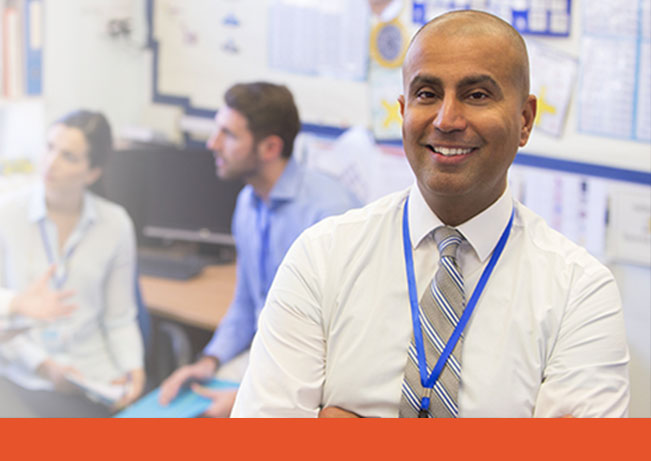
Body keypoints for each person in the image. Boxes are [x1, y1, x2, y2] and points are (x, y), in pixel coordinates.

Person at [231, 11, 630, 418]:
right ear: (403, 110)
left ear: (524, 120)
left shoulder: (580, 291)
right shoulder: (321, 257)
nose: (446, 120)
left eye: (477, 95)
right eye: (427, 94)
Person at [158, 82, 360, 417]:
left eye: (229, 135)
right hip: (268, 356)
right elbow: (246, 303)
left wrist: (249, 395)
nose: (213, 144)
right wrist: (210, 360)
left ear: (269, 147)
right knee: (185, 410)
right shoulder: (248, 204)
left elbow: (336, 343)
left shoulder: (327, 215)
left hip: (321, 374)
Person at [0, 110, 145, 417]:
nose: (51, 162)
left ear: (92, 172)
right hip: (24, 376)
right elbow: (7, 321)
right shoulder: (8, 213)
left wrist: (134, 369)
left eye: (68, 156)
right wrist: (43, 366)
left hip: (93, 378)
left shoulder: (115, 224)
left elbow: (119, 317)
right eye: (49, 147)